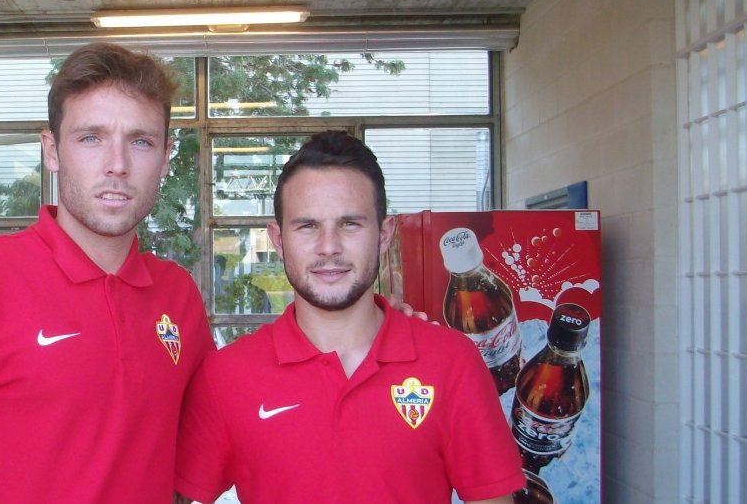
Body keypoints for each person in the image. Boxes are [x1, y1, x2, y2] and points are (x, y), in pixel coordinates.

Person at [0, 43, 214, 503]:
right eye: (91, 138)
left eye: (141, 140)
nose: (117, 164)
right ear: (52, 150)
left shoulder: (178, 297)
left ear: (164, 156)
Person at [174, 131, 525, 504]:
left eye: (350, 224)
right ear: (278, 240)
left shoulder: (452, 361)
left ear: (384, 234)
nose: (329, 247)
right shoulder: (226, 376)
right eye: (307, 226)